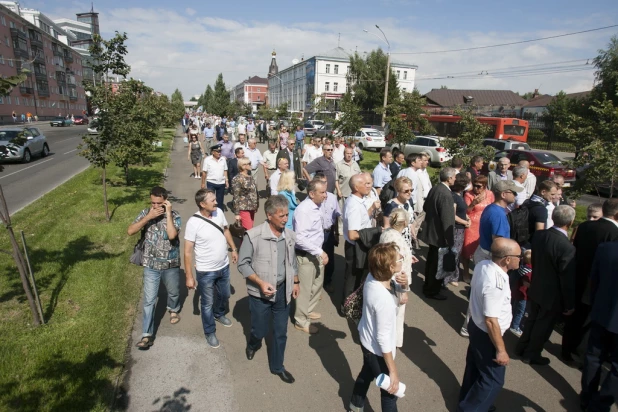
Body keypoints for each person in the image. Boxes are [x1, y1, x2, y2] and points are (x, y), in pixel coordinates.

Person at [237, 195, 299, 383]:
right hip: (260, 295)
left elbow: (292, 261)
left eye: (287, 215)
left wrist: (295, 281)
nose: (285, 219)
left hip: (282, 292)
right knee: (260, 329)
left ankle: (277, 367)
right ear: (269, 215)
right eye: (281, 216)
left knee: (281, 332)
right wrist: (260, 282)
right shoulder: (253, 236)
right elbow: (243, 265)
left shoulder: (289, 236)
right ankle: (253, 342)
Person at [458, 238, 521, 412]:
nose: (520, 259)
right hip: (487, 334)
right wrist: (501, 350)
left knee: (474, 367)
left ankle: (468, 399)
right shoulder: (496, 284)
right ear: (507, 259)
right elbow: (491, 320)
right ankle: (471, 408)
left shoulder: (483, 265)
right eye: (518, 256)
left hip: (476, 326)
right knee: (493, 380)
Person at [515, 205, 576, 366]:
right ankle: (532, 354)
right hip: (552, 294)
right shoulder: (567, 247)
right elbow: (566, 278)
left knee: (531, 320)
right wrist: (569, 303)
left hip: (536, 285)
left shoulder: (540, 235)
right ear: (570, 222)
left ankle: (521, 347)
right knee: (543, 325)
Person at [349, 243, 405, 412]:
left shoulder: (372, 277)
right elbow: (382, 337)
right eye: (399, 259)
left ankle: (355, 406)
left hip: (366, 339)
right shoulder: (383, 301)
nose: (402, 259)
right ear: (390, 267)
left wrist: (404, 284)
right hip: (376, 349)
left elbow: (399, 296)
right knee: (390, 392)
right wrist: (393, 370)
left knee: (366, 374)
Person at [564, 199, 618, 361]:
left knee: (575, 316)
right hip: (596, 281)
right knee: (589, 319)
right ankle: (579, 354)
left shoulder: (585, 226)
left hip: (578, 275)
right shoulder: (614, 233)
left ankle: (566, 349)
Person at [128, 187, 181, 349]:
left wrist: (169, 213)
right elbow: (130, 231)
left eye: (159, 203)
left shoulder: (175, 215)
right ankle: (146, 335)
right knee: (149, 300)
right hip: (150, 264)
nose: (156, 206)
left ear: (165, 201)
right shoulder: (146, 213)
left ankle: (173, 308)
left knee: (173, 292)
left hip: (170, 263)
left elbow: (172, 235)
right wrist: (147, 217)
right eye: (153, 203)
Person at [184, 189, 239, 349]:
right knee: (206, 303)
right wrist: (189, 276)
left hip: (224, 265)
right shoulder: (193, 223)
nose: (216, 202)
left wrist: (234, 249)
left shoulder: (219, 213)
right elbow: (187, 252)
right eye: (212, 200)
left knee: (225, 294)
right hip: (205, 271)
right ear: (202, 204)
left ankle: (219, 313)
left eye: (215, 199)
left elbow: (226, 230)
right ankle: (209, 332)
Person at [581, 240, 618, 412]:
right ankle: (599, 406)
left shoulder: (606, 248)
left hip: (601, 311)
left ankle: (587, 397)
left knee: (593, 357)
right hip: (605, 312)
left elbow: (594, 280)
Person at [293, 179, 328, 334]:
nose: (325, 195)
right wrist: (319, 251)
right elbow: (299, 238)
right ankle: (301, 321)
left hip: (317, 253)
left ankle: (307, 310)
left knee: (317, 285)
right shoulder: (304, 210)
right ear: (311, 193)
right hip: (307, 256)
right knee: (305, 289)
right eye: (322, 192)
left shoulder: (317, 206)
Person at [419, 167, 457, 300]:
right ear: (449, 178)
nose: (455, 179)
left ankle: (428, 286)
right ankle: (432, 290)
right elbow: (447, 220)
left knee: (431, 262)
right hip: (439, 236)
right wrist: (450, 240)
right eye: (454, 177)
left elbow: (425, 207)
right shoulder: (446, 195)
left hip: (432, 233)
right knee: (436, 265)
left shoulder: (435, 188)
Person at [380, 209, 415, 348]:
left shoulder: (386, 233)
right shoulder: (397, 239)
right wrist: (403, 291)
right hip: (396, 283)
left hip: (385, 280)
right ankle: (391, 343)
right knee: (396, 315)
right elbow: (396, 269)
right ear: (405, 223)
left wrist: (408, 257)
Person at [342, 174, 377, 304]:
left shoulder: (359, 200)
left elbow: (362, 220)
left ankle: (353, 304)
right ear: (356, 187)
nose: (369, 186)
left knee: (358, 277)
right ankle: (346, 307)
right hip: (355, 247)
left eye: (369, 183)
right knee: (353, 279)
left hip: (359, 245)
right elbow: (352, 234)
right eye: (365, 184)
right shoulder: (354, 205)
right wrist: (374, 232)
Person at [461, 175, 494, 282]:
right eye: (474, 185)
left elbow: (492, 207)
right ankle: (465, 272)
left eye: (479, 186)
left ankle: (478, 273)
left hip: (484, 225)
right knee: (467, 250)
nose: (475, 188)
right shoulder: (468, 194)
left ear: (484, 186)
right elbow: (466, 211)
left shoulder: (490, 194)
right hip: (471, 226)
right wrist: (473, 203)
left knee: (482, 250)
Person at [440, 173, 471, 287]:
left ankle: (453, 276)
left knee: (456, 254)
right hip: (456, 229)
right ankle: (447, 279)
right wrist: (465, 222)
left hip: (461, 229)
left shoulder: (460, 195)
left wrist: (467, 218)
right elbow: (453, 215)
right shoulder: (454, 197)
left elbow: (462, 212)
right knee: (453, 254)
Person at [313, 172, 341, 294]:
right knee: (316, 259)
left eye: (326, 182)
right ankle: (315, 285)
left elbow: (336, 216)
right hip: (316, 234)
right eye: (323, 183)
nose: (326, 185)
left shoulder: (332, 198)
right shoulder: (312, 200)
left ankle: (327, 281)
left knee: (329, 259)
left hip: (329, 233)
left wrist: (336, 234)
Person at [382, 176, 415, 252]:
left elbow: (411, 220)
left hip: (407, 240)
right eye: (406, 191)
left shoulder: (409, 201)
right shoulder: (391, 205)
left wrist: (412, 230)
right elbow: (387, 226)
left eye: (411, 190)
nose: (409, 193)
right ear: (398, 191)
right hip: (395, 241)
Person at [232, 157, 259, 230]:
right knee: (249, 230)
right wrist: (237, 213)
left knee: (249, 230)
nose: (251, 165)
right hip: (243, 207)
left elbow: (255, 192)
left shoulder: (250, 177)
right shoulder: (238, 178)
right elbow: (236, 196)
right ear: (243, 166)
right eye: (249, 164)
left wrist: (256, 205)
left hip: (252, 207)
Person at [510, 249, 532, 337]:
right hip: (523, 295)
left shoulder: (522, 266)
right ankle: (515, 326)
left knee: (514, 308)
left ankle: (511, 322)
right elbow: (527, 283)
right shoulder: (529, 272)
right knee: (520, 312)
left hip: (516, 292)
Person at [335, 147, 362, 216]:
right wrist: (338, 191)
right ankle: (341, 227)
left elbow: (360, 176)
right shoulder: (339, 165)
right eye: (347, 153)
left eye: (350, 153)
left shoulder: (355, 164)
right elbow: (336, 180)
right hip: (343, 194)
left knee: (353, 213)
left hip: (354, 194)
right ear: (344, 154)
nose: (349, 155)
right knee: (342, 214)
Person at [201, 144, 228, 209]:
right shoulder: (207, 160)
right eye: (217, 151)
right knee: (211, 199)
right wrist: (203, 183)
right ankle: (211, 212)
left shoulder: (223, 159)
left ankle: (219, 213)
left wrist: (226, 181)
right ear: (213, 152)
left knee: (220, 200)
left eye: (220, 151)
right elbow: (204, 172)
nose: (219, 153)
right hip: (211, 182)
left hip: (221, 183)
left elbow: (225, 170)